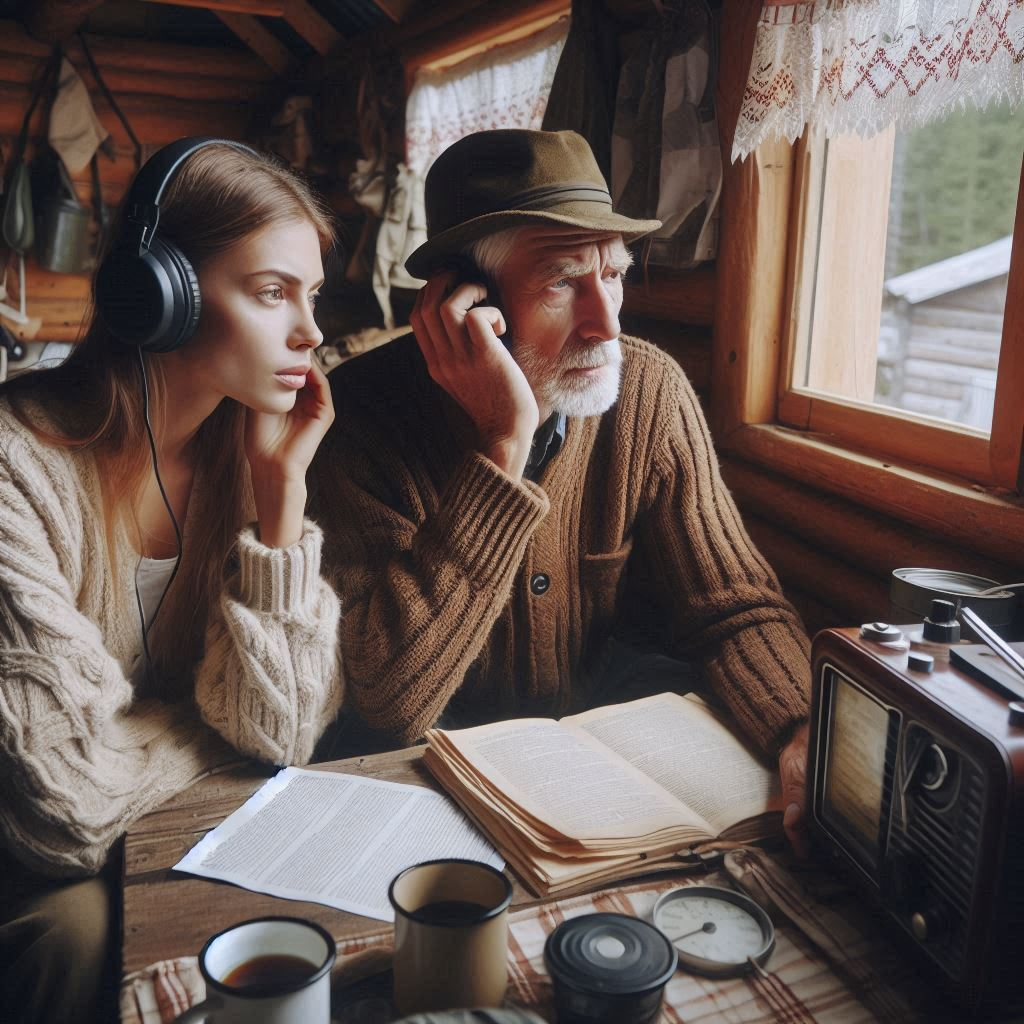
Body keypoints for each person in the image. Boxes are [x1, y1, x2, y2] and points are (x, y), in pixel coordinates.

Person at [311, 128, 809, 845]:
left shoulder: (649, 391)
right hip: (429, 785)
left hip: (598, 766)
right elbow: (389, 697)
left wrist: (797, 730)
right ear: (465, 302)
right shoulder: (359, 417)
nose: (605, 323)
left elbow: (731, 606)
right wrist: (501, 446)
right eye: (562, 281)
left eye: (612, 275)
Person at [0, 139, 344, 1023]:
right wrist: (217, 735)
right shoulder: (16, 470)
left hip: (161, 821)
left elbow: (283, 734)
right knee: (77, 935)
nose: (310, 331)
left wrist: (280, 504)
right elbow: (64, 809)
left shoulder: (255, 456)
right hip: (36, 857)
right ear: (160, 297)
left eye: (312, 296)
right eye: (273, 293)